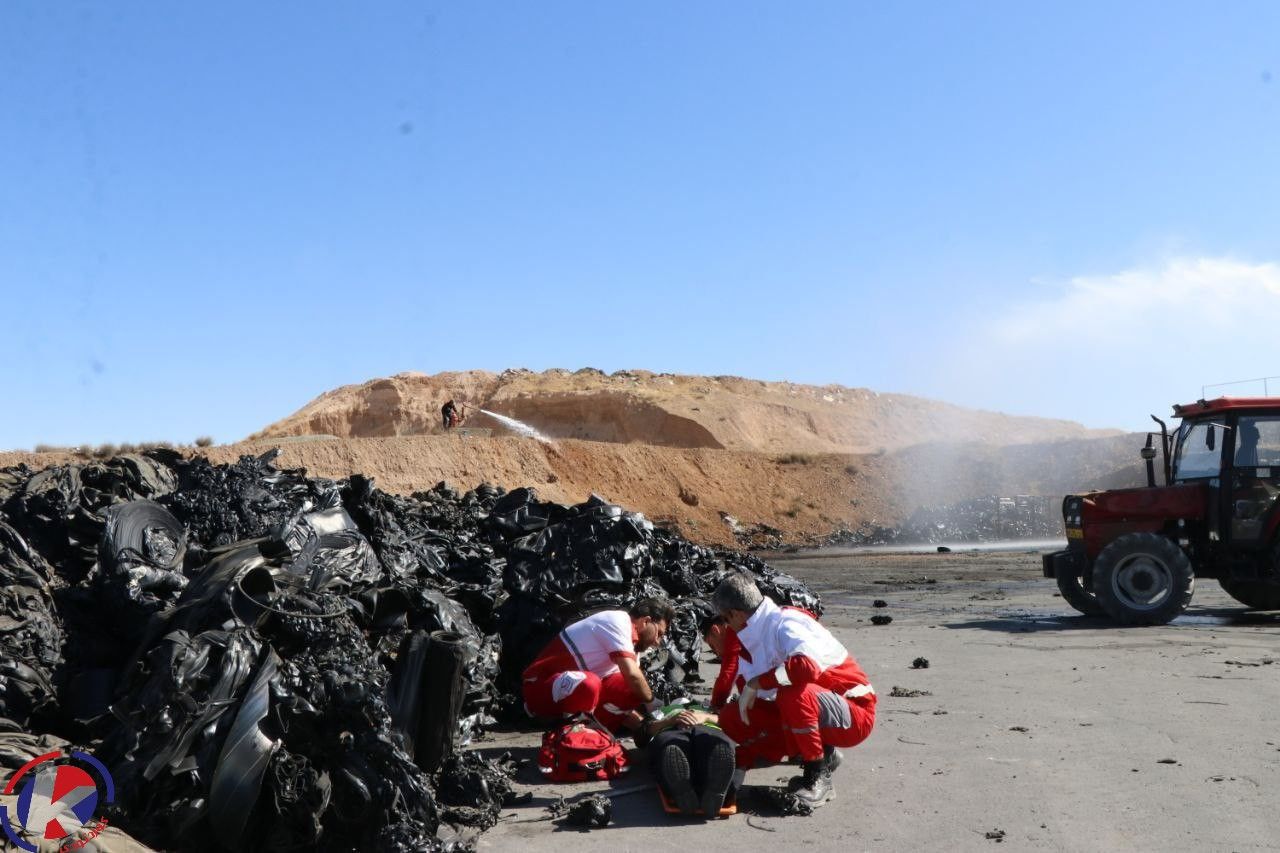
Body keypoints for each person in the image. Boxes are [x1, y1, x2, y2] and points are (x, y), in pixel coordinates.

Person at [710, 574, 876, 808]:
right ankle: (820, 753)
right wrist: (738, 764)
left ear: (735, 614)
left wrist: (757, 683)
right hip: (817, 712)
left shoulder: (785, 623)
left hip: (854, 714)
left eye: (726, 620)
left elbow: (806, 668)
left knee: (792, 693)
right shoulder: (755, 635)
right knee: (733, 715)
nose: (728, 627)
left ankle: (816, 776)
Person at [522, 598, 675, 732]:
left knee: (630, 688)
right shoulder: (618, 621)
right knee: (589, 683)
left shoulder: (632, 649)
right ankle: (572, 737)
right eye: (659, 633)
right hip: (539, 688)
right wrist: (651, 702)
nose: (657, 642)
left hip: (573, 693)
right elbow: (633, 675)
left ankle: (593, 736)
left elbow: (623, 699)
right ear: (645, 621)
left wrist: (649, 728)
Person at [635, 701, 738, 819]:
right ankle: (683, 789)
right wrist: (669, 721)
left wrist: (706, 717)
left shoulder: (710, 707)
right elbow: (641, 734)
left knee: (716, 745)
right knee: (671, 747)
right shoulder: (662, 711)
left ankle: (714, 787)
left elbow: (733, 721)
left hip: (707, 728)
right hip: (672, 730)